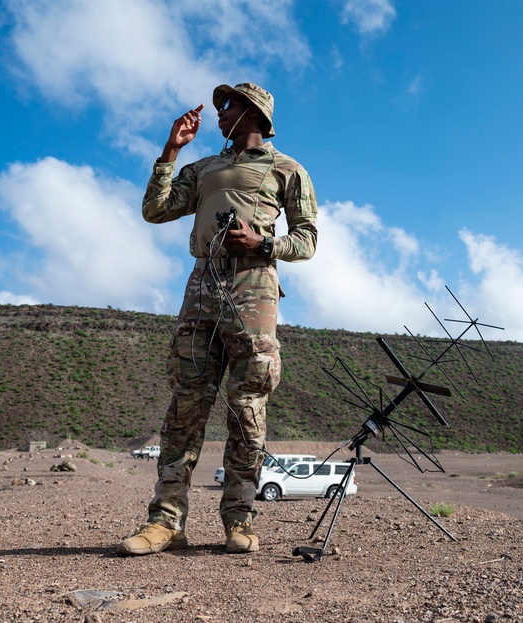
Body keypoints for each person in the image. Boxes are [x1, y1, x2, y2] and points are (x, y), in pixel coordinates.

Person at [117, 82, 317, 555]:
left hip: (255, 287)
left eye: (227, 105)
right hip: (202, 284)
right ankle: (165, 522)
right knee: (186, 405)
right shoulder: (203, 168)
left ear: (252, 112)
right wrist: (170, 150)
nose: (219, 113)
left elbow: (307, 240)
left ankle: (240, 521)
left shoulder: (287, 169)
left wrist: (263, 244)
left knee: (248, 407)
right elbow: (155, 210)